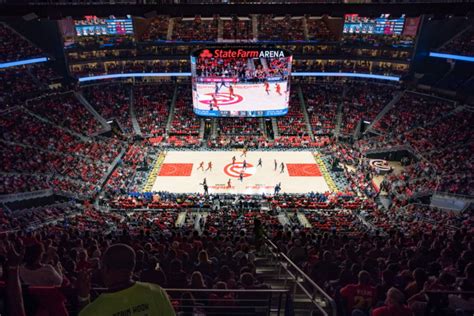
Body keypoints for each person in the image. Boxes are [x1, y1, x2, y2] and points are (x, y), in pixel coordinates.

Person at [78, 244, 175, 316]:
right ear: (132, 267)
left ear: (106, 269)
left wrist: (84, 298)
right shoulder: (156, 292)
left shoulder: (95, 310)